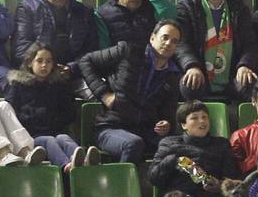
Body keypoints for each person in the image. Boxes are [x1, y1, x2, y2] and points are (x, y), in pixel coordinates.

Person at [77, 19, 184, 164]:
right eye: (165, 37)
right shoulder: (128, 51)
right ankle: (121, 186)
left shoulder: (173, 75)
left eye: (174, 41)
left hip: (146, 131)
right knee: (133, 144)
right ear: (152, 38)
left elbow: (168, 113)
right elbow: (86, 61)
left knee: (178, 147)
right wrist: (104, 94)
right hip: (111, 127)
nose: (168, 43)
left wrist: (166, 124)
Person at [174, 0, 258, 101]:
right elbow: (181, 43)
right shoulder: (187, 6)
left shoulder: (238, 7)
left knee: (252, 85)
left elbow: (250, 43)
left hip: (232, 72)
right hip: (200, 70)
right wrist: (192, 66)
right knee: (189, 85)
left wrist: (245, 65)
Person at [7, 43, 97, 174]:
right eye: (39, 61)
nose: (44, 65)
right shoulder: (18, 85)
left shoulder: (58, 85)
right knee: (49, 141)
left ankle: (84, 160)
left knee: (63, 138)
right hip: (30, 137)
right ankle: (66, 165)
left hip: (55, 131)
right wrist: (36, 116)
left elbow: (70, 113)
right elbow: (10, 113)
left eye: (48, 61)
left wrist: (53, 119)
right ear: (29, 63)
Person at [149, 99, 242, 197]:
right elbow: (154, 178)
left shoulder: (222, 144)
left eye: (204, 117)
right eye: (195, 118)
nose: (202, 121)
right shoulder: (169, 143)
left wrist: (219, 185)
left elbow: (231, 176)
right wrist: (174, 160)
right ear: (183, 124)